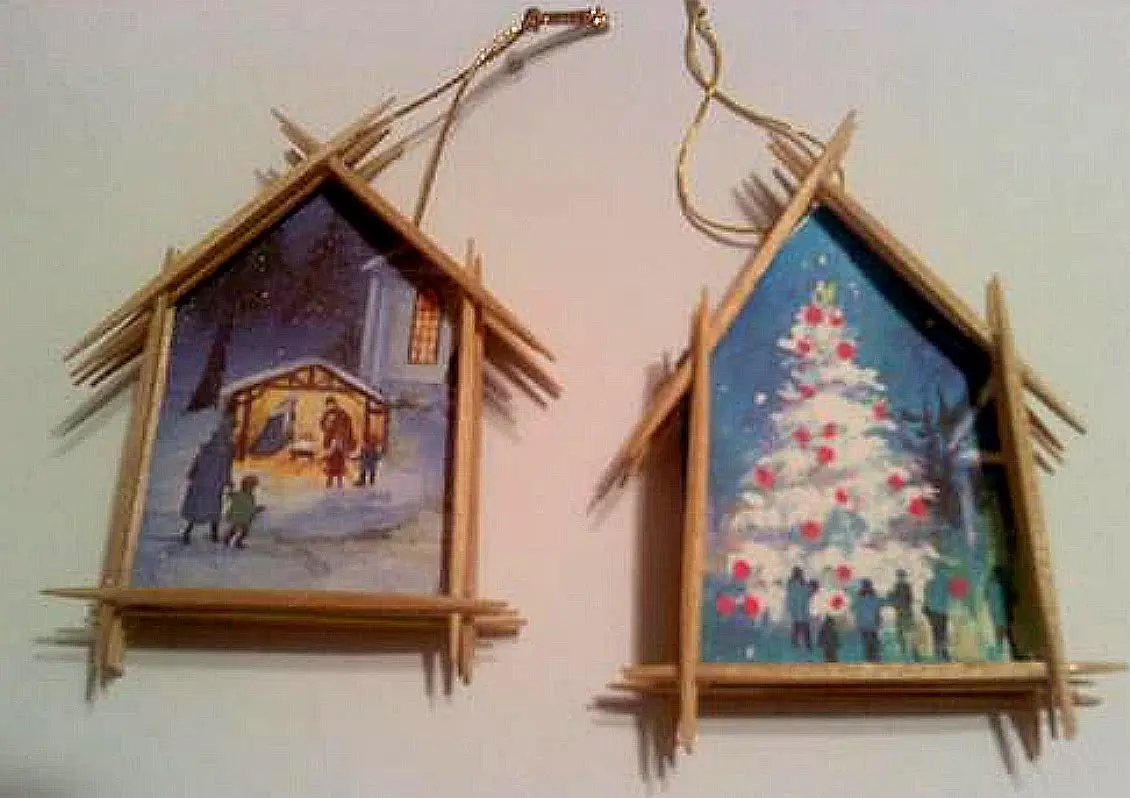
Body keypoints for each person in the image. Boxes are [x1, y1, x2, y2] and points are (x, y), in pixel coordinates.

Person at [180, 421, 234, 544]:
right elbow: (225, 469)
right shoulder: (225, 452)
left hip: (202, 483)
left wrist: (192, 473)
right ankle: (213, 534)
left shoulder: (206, 449)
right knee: (214, 509)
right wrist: (228, 481)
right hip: (214, 485)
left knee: (199, 509)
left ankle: (188, 532)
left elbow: (197, 463)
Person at [224, 475, 263, 550]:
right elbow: (231, 495)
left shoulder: (250, 496)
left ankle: (237, 541)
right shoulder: (240, 494)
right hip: (238, 516)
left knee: (244, 532)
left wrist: (257, 509)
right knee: (235, 530)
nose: (252, 489)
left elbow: (251, 508)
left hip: (244, 517)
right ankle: (229, 539)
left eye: (253, 487)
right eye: (252, 487)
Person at [886, 569, 916, 660]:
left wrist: (890, 595)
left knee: (902, 631)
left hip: (901, 611)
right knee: (908, 630)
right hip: (906, 611)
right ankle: (911, 649)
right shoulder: (906, 586)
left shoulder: (898, 586)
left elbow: (894, 600)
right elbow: (910, 599)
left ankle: (905, 649)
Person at [923, 572, 951, 661]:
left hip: (934, 611)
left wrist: (926, 610)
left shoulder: (929, 583)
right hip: (941, 611)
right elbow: (948, 597)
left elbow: (926, 597)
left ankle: (939, 652)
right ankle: (943, 652)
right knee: (942, 631)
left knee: (936, 632)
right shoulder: (945, 583)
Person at [854, 578, 883, 662]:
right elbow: (878, 610)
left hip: (865, 627)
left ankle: (871, 661)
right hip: (872, 627)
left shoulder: (859, 598)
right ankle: (875, 661)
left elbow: (855, 610)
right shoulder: (874, 597)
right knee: (874, 648)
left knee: (868, 648)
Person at [786, 567, 813, 651]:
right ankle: (805, 644)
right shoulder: (798, 584)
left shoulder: (793, 584)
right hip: (800, 610)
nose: (801, 574)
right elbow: (807, 593)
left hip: (800, 610)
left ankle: (798, 644)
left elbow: (790, 599)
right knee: (802, 628)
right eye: (800, 573)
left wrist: (791, 609)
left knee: (798, 627)